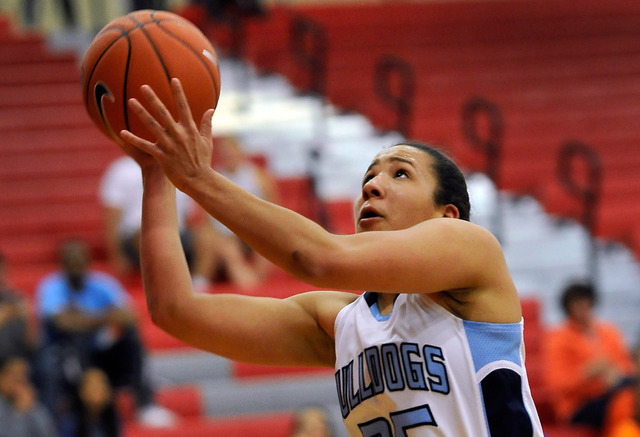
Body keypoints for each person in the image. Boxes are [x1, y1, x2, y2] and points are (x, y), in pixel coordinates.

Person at [117, 78, 544, 436]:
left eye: (400, 173)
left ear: (447, 214)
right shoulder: (342, 323)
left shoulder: (472, 251)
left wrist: (198, 178)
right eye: (369, 176)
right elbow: (176, 310)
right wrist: (158, 175)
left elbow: (319, 257)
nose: (372, 186)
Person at [34, 239, 176, 431]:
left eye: (80, 262)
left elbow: (129, 316)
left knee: (131, 342)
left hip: (98, 353)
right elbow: (61, 322)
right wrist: (104, 316)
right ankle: (55, 420)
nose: (77, 268)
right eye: (71, 263)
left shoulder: (102, 284)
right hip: (66, 355)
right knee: (72, 340)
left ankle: (145, 404)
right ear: (62, 265)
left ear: (88, 262)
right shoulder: (51, 286)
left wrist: (81, 317)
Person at [99, 154, 213, 285]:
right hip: (136, 236)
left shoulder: (177, 166)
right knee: (150, 233)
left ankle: (199, 283)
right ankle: (167, 285)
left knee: (207, 236)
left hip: (175, 232)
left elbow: (188, 216)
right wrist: (116, 255)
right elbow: (112, 218)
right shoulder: (122, 170)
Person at [544, 282, 636, 433]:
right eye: (576, 302)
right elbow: (557, 384)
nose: (582, 306)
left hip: (613, 392)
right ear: (567, 307)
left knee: (628, 396)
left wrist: (616, 373)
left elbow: (627, 366)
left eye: (584, 301)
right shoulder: (558, 339)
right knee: (624, 401)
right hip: (579, 405)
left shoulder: (608, 331)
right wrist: (587, 373)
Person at [193, 135, 278, 290]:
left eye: (231, 151)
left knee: (271, 238)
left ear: (240, 152)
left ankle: (255, 281)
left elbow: (275, 209)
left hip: (255, 229)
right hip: (224, 232)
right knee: (221, 244)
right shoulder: (213, 177)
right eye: (224, 153)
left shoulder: (258, 177)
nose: (228, 156)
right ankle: (202, 280)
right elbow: (206, 216)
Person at [0, 356, 57, 437]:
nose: (19, 383)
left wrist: (32, 408)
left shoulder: (32, 405)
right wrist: (19, 413)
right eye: (14, 376)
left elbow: (49, 433)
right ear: (2, 378)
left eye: (23, 377)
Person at [0, 252, 34, 364]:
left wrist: (29, 318)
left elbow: (32, 342)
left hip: (15, 361)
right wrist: (5, 315)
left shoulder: (17, 300)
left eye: (3, 271)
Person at [67, 367, 121, 437]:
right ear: (81, 391)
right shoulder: (72, 424)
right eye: (92, 387)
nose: (97, 392)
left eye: (101, 386)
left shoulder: (115, 422)